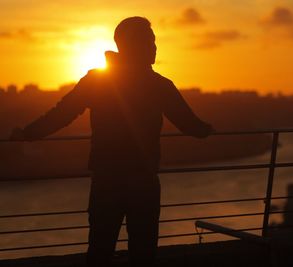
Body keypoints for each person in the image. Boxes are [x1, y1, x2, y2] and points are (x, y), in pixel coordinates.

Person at [10, 16, 214, 266]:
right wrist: (209, 129)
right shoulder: (159, 85)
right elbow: (190, 125)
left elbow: (61, 114)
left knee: (100, 248)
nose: (154, 48)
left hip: (106, 178)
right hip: (143, 179)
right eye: (149, 42)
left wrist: (28, 133)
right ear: (133, 45)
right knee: (143, 251)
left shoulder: (98, 80)